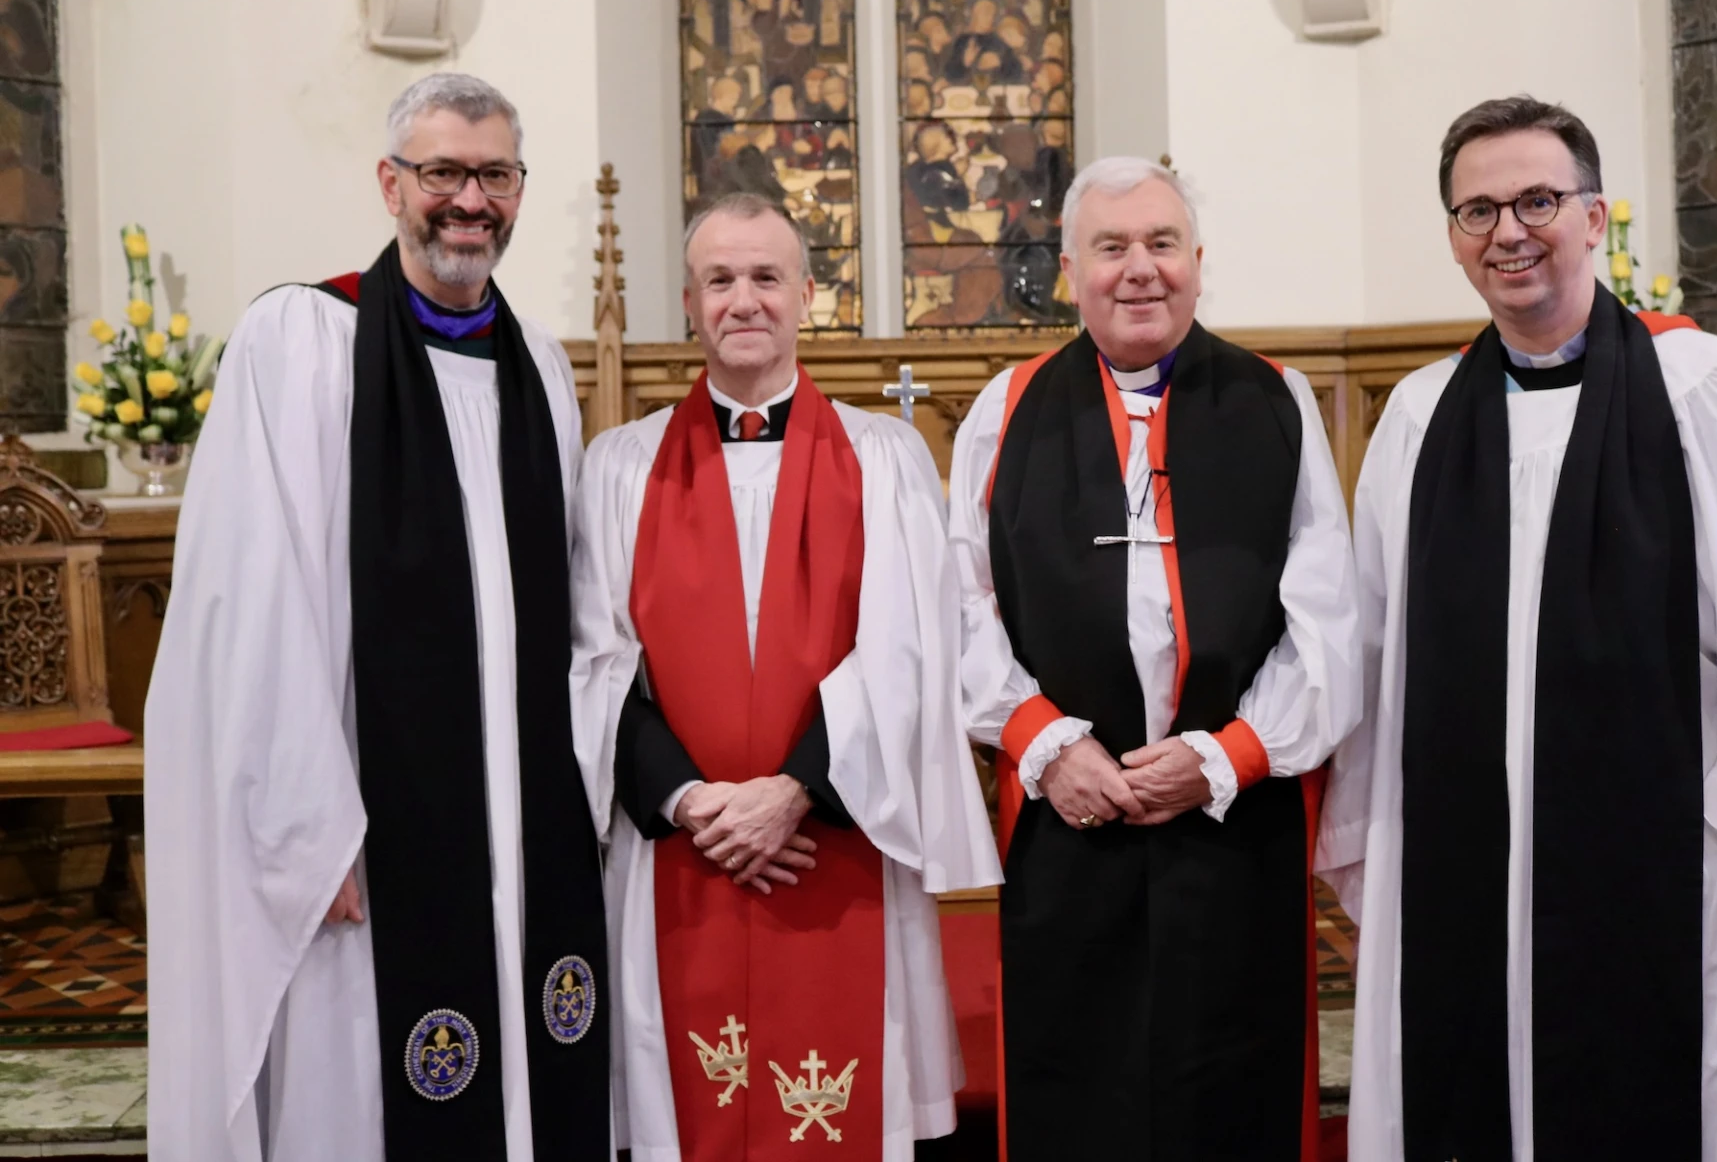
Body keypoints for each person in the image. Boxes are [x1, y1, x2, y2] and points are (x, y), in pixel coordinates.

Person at [1323, 95, 1717, 1161]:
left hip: (1672, 862)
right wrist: (1386, 852)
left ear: (1595, 216)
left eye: (1538, 200)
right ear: (1456, 238)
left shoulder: (1706, 390)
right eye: (1479, 210)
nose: (1509, 230)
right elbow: (1382, 668)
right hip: (1471, 870)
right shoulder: (1417, 420)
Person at [145, 73, 610, 1161]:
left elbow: (570, 606)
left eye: (494, 174)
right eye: (443, 171)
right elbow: (248, 602)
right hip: (367, 824)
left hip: (523, 824)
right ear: (390, 182)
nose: (469, 200)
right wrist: (308, 827)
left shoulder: (538, 364)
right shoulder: (300, 340)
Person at [570, 192, 999, 1160]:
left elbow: (909, 649)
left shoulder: (883, 458)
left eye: (766, 276)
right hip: (682, 849)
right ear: (689, 301)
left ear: (808, 292)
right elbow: (594, 661)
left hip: (837, 834)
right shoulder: (619, 466)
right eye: (720, 279)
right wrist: (691, 801)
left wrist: (794, 791)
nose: (744, 298)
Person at [950, 156, 1363, 1159]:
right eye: (1112, 247)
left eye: (1162, 244)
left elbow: (1328, 621)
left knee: (1228, 1090)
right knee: (1078, 1088)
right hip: (1070, 815)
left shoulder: (1275, 401)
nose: (1141, 269)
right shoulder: (1005, 412)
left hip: (1230, 822)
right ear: (1068, 269)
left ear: (1198, 261)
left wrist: (1224, 754)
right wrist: (1045, 743)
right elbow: (958, 607)